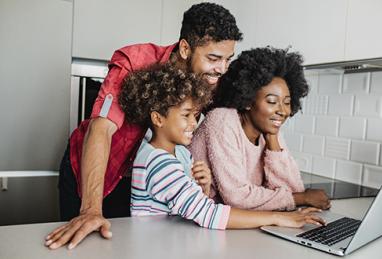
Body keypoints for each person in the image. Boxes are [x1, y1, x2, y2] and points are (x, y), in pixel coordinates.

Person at [45, 2, 243, 250]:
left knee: (125, 248)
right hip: (92, 173)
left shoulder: (209, 79)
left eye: (228, 60)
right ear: (185, 48)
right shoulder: (136, 61)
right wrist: (90, 210)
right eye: (214, 58)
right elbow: (101, 128)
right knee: (85, 247)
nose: (221, 69)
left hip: (140, 183)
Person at [122, 64, 325, 230]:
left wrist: (203, 186)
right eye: (186, 115)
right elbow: (207, 213)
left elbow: (187, 205)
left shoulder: (181, 153)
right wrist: (277, 218)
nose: (194, 123)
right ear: (157, 118)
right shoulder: (159, 163)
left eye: (194, 115)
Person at [189, 47, 331, 211]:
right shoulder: (222, 120)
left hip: (233, 221)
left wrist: (273, 141)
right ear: (248, 100)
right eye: (272, 101)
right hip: (194, 219)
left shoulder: (268, 129)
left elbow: (292, 190)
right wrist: (301, 198)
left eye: (286, 102)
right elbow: (237, 197)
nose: (282, 111)